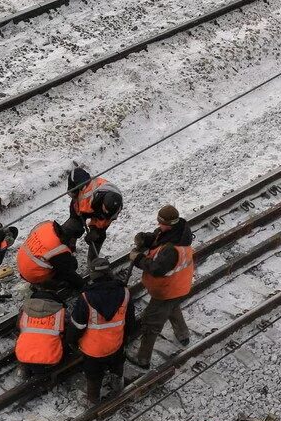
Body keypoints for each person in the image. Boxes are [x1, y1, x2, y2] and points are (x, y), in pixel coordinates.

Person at [125, 205, 194, 369]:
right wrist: (144, 239)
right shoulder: (176, 231)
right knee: (172, 307)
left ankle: (143, 359)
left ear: (168, 224)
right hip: (177, 286)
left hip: (168, 289)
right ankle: (183, 334)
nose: (158, 225)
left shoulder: (171, 250)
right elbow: (157, 237)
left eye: (160, 222)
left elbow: (156, 269)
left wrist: (138, 259)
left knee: (151, 323)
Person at [67, 258, 135, 403]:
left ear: (93, 276)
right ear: (109, 273)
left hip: (93, 350)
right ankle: (118, 387)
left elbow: (77, 326)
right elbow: (130, 322)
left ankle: (93, 400)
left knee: (94, 376)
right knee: (117, 367)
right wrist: (125, 338)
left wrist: (71, 342)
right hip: (116, 345)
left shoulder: (86, 298)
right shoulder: (125, 292)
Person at [67, 166, 123, 261]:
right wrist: (73, 190)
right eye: (105, 211)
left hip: (93, 209)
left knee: (99, 237)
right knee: (74, 226)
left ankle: (93, 261)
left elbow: (103, 223)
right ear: (102, 202)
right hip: (81, 207)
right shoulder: (87, 194)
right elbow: (76, 172)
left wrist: (95, 231)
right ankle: (69, 247)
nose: (106, 215)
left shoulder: (114, 209)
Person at [17, 219, 86, 291]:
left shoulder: (48, 226)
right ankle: (43, 284)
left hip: (22, 261)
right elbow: (68, 273)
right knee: (72, 265)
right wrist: (83, 286)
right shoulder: (58, 250)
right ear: (70, 238)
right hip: (31, 274)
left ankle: (36, 280)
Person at [15, 288, 67, 378]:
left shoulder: (24, 310)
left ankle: (24, 368)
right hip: (50, 359)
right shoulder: (60, 313)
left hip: (23, 356)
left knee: (22, 335)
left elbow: (18, 327)